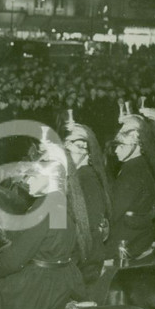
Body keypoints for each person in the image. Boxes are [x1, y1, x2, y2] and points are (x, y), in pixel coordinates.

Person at [0, 139, 86, 309]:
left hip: (38, 284)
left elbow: (15, 260)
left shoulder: (44, 207)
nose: (27, 181)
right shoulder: (61, 201)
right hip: (62, 277)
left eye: (33, 177)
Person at [107, 110, 155, 259]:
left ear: (137, 146)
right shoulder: (142, 165)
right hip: (141, 236)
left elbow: (113, 212)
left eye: (122, 145)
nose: (117, 150)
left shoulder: (132, 173)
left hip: (127, 240)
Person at [62, 115, 112, 281]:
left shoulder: (87, 178)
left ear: (87, 153)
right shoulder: (78, 175)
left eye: (71, 150)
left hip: (85, 260)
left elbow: (89, 228)